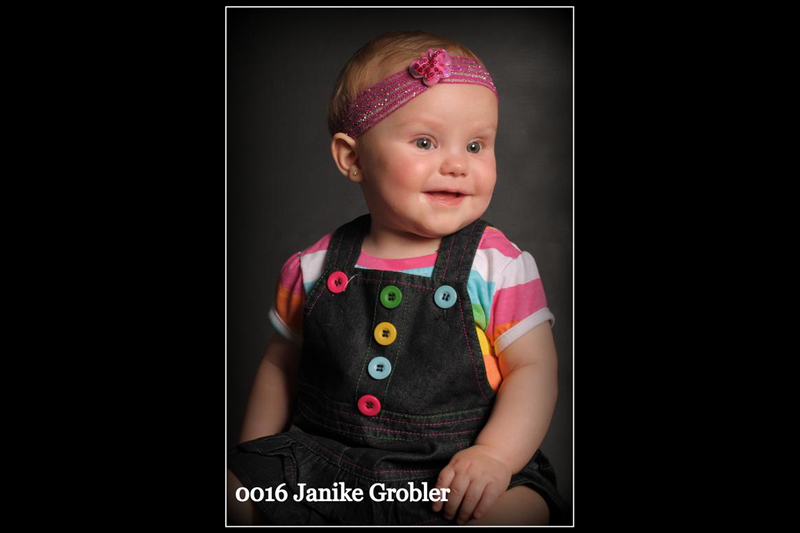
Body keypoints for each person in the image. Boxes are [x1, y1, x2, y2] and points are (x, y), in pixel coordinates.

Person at [227, 30, 569, 525]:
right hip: (328, 463)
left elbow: (533, 370)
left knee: (520, 511)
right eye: (425, 142)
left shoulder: (498, 266)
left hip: (454, 468)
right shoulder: (314, 267)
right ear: (352, 158)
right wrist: (256, 458)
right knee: (235, 493)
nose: (457, 164)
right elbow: (281, 366)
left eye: (476, 145)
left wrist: (495, 455)